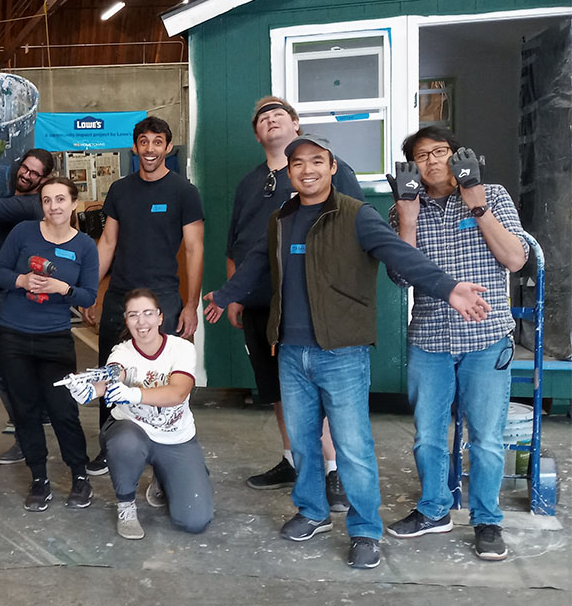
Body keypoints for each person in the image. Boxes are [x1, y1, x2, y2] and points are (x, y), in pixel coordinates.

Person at [204, 134, 491, 570]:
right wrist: (225, 294)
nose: (307, 170)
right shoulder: (280, 219)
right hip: (291, 351)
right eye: (298, 163)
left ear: (332, 167)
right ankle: (312, 512)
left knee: (352, 447)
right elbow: (257, 263)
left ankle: (364, 530)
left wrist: (448, 288)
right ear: (289, 171)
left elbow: (400, 255)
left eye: (316, 161)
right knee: (303, 442)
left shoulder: (358, 215)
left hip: (342, 353)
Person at [385, 128, 529, 561]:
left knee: (485, 437)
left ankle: (487, 520)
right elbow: (399, 276)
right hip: (430, 337)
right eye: (421, 155)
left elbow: (515, 259)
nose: (432, 160)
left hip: (486, 338)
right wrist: (407, 217)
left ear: (457, 155)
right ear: (412, 166)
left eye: (440, 151)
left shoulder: (493, 195)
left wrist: (477, 204)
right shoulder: (403, 208)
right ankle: (434, 510)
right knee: (427, 435)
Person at [224, 97, 363, 510]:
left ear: (296, 124)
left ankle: (334, 470)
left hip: (310, 305)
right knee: (277, 389)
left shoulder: (331, 171)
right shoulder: (249, 183)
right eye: (262, 118)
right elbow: (235, 243)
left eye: (278, 115)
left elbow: (355, 230)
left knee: (320, 390)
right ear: (257, 134)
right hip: (259, 305)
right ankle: (293, 461)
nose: (270, 120)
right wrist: (234, 293)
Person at [83, 116, 204, 479]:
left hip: (163, 297)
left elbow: (194, 249)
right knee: (111, 371)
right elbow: (107, 242)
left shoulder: (184, 192)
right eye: (144, 142)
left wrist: (191, 304)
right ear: (134, 147)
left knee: (159, 374)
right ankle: (110, 446)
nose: (150, 149)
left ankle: (163, 446)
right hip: (120, 295)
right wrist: (90, 291)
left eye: (157, 141)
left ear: (168, 147)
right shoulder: (120, 190)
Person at [66, 289, 213, 540]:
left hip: (175, 438)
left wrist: (134, 394)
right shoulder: (121, 352)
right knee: (125, 440)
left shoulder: (181, 348)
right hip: (133, 432)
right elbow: (114, 374)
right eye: (133, 315)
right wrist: (89, 389)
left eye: (148, 313)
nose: (141, 321)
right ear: (126, 320)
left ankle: (166, 476)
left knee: (195, 520)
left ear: (160, 317)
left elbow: (178, 393)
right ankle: (126, 505)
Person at [0, 177, 100, 511]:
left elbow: (88, 296)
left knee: (63, 410)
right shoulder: (23, 232)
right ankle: (39, 477)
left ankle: (79, 475)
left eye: (61, 199)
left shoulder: (85, 246)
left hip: (55, 338)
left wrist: (62, 288)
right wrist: (22, 280)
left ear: (74, 203)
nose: (54, 206)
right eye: (48, 200)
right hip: (12, 335)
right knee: (24, 411)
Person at [0, 142, 54, 466]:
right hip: (6, 293)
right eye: (25, 168)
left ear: (44, 180)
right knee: (17, 366)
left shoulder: (27, 206)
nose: (26, 175)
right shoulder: (16, 199)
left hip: (14, 298)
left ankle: (25, 429)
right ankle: (36, 415)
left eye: (35, 173)